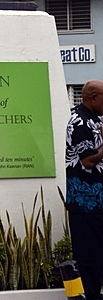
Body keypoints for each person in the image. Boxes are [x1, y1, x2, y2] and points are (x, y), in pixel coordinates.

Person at [65, 79, 103, 300]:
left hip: (97, 202)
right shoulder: (79, 122)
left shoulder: (93, 120)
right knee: (89, 258)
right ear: (93, 97)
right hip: (85, 203)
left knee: (97, 256)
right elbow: (89, 160)